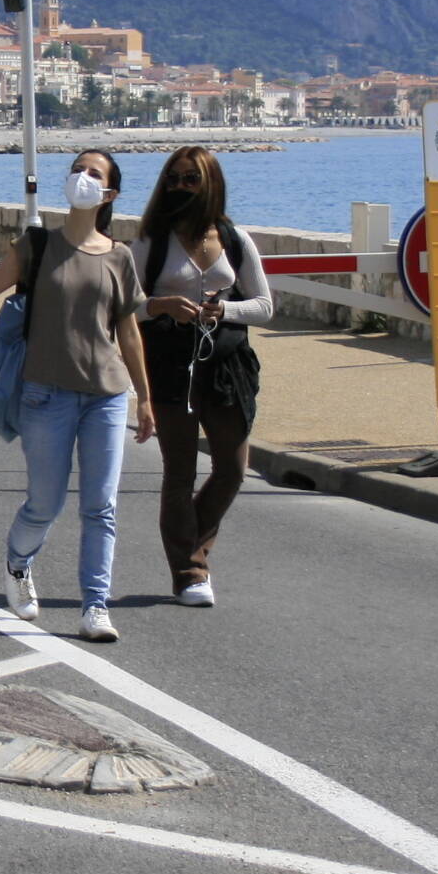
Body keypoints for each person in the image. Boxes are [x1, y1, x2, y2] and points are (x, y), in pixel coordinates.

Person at [0, 151, 155, 641]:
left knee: (100, 506)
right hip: (45, 394)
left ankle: (95, 606)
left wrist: (145, 399)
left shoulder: (119, 256)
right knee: (44, 504)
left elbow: (129, 333)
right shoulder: (37, 245)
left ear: (110, 194)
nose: (82, 178)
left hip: (106, 397)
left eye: (95, 174)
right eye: (78, 169)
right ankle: (18, 563)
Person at [138, 146, 272, 608]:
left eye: (191, 179)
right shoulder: (150, 242)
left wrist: (225, 309)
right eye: (173, 178)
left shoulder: (234, 239)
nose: (180, 187)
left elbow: (265, 305)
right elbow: (125, 304)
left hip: (226, 368)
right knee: (179, 471)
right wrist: (161, 305)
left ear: (210, 183)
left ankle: (189, 540)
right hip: (169, 366)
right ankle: (190, 571)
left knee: (232, 470)